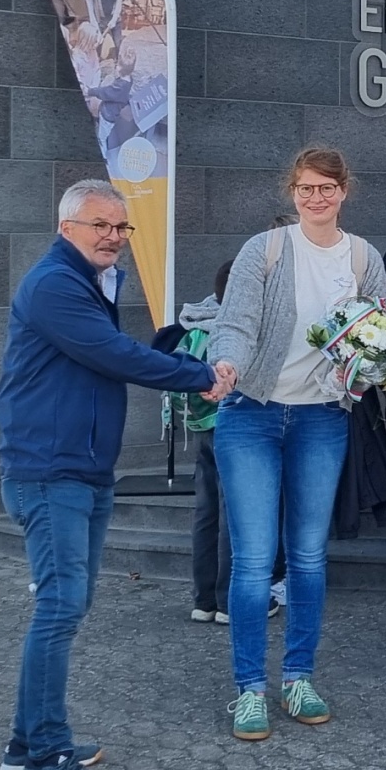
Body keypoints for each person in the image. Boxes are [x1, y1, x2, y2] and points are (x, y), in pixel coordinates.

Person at [0, 180, 225, 770]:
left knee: (67, 603)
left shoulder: (87, 282)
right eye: (101, 225)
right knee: (61, 607)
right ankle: (45, 757)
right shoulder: (54, 284)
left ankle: (24, 743)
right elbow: (109, 353)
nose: (113, 238)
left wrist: (171, 349)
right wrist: (200, 374)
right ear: (65, 225)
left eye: (122, 229)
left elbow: (105, 358)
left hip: (83, 468)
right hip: (50, 472)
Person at [209, 148, 386, 743]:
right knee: (255, 559)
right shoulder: (264, 250)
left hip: (321, 418)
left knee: (309, 557)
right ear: (292, 192)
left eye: (327, 188)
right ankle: (249, 690)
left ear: (345, 191)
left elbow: (380, 330)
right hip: (251, 413)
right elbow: (235, 320)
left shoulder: (362, 257)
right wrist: (227, 362)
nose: (317, 198)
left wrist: (368, 372)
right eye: (306, 189)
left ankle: (298, 677)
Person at [176, 260, 234, 624]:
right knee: (235, 515)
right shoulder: (230, 330)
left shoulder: (195, 323)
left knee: (206, 512)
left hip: (200, 426)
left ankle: (203, 599)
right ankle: (230, 602)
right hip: (233, 424)